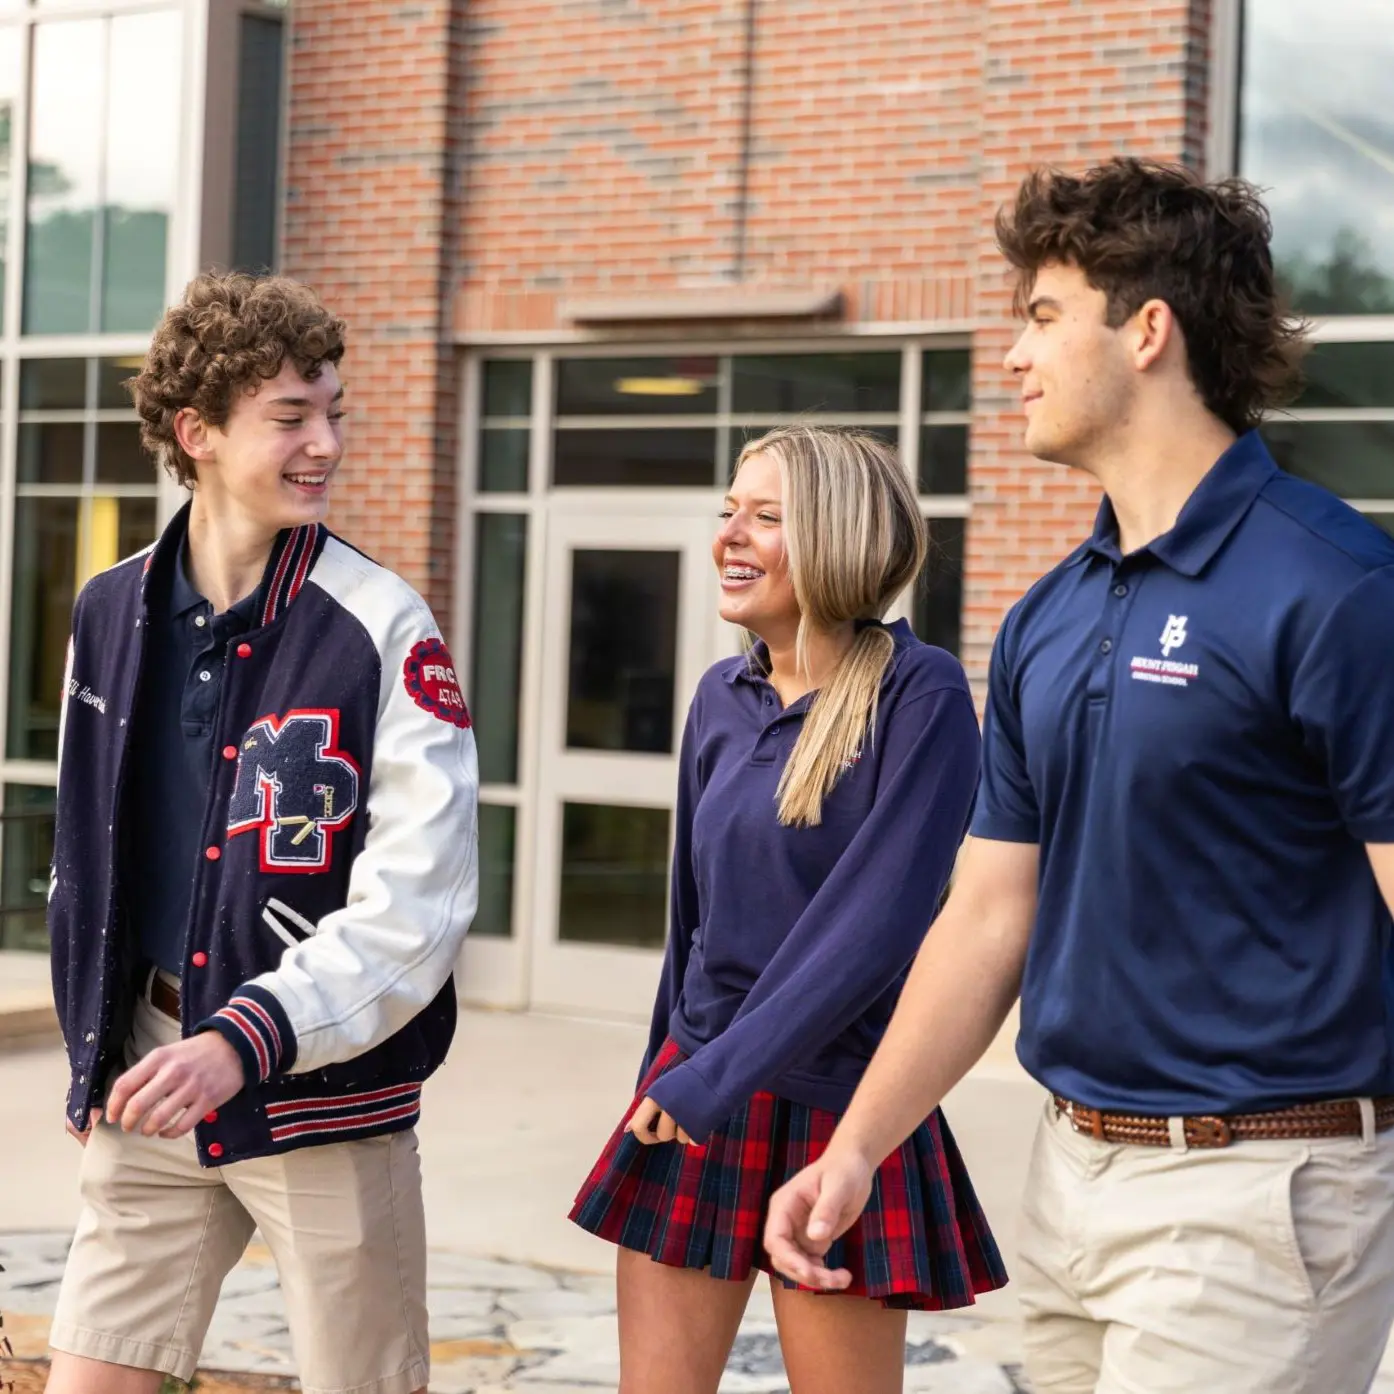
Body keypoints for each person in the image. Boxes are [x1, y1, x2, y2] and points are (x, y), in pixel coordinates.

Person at [764, 157, 1394, 1393]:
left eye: (1043, 316)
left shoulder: (1333, 587)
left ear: (1147, 330)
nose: (1011, 356)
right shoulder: (1049, 612)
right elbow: (991, 911)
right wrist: (854, 1147)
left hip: (1260, 1189)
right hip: (1068, 1179)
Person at [44, 272, 479, 1394]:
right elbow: (88, 857)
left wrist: (245, 1036)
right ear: (196, 433)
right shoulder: (107, 610)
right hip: (153, 1071)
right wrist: (98, 1050)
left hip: (324, 1097)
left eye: (333, 410)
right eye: (291, 416)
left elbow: (420, 905)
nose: (324, 442)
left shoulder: (383, 625)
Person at [569, 425, 1005, 1394]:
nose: (730, 532)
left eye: (764, 515)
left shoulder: (916, 689)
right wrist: (665, 1075)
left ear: (839, 537)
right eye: (728, 509)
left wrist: (710, 1077)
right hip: (698, 1093)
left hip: (840, 1104)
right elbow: (689, 923)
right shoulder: (719, 696)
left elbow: (877, 923)